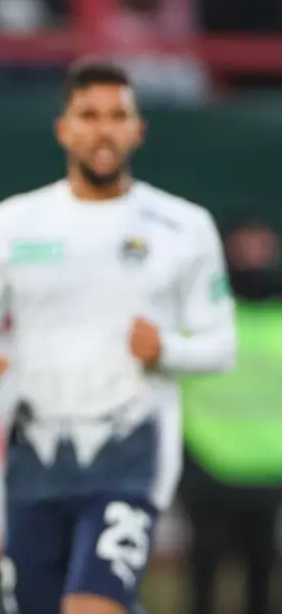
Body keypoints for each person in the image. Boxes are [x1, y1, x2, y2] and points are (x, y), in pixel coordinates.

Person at [0, 59, 239, 614]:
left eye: (117, 116)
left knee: (93, 606)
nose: (104, 130)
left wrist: (166, 349)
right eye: (89, 115)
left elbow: (222, 345)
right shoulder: (12, 225)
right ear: (63, 128)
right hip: (38, 452)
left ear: (138, 130)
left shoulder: (182, 227)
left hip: (130, 446)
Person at [177, 216, 282, 614]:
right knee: (204, 567)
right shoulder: (199, 315)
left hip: (269, 466)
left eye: (262, 247)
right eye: (245, 247)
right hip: (206, 462)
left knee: (262, 567)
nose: (255, 257)